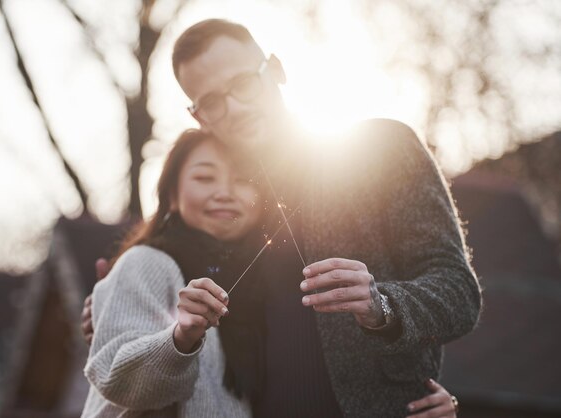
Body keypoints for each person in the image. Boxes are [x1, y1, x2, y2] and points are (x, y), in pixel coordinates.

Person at [85, 18, 478, 418]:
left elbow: (459, 291)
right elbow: (164, 298)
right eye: (212, 102)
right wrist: (108, 304)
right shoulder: (232, 202)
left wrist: (383, 306)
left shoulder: (380, 150)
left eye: (242, 83)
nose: (234, 108)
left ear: (276, 70)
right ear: (199, 116)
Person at [82, 129, 265, 417]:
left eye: (242, 180)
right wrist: (180, 338)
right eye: (204, 178)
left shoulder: (267, 279)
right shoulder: (146, 262)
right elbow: (113, 378)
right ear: (173, 196)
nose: (225, 193)